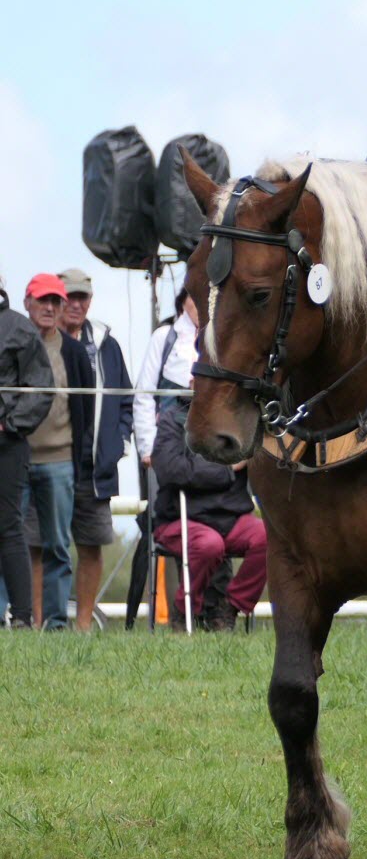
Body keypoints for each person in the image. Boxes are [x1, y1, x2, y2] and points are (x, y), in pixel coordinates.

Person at [14, 275, 94, 629]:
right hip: (13, 459)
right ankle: (10, 620)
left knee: (58, 547)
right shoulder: (11, 342)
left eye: (55, 302)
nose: (49, 308)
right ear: (27, 302)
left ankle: (57, 624)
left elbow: (86, 409)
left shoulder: (75, 352)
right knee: (9, 542)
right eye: (42, 301)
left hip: (60, 461)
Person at [151, 390, 267, 630]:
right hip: (180, 518)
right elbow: (169, 469)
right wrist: (225, 468)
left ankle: (230, 607)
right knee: (209, 544)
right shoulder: (173, 421)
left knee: (268, 537)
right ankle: (184, 614)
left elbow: (261, 462)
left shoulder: (241, 420)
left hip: (231, 518)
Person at [57, 268, 133, 631]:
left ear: (90, 300)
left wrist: (117, 444)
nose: (75, 304)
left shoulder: (107, 343)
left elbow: (127, 400)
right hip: (48, 460)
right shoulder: (37, 340)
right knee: (40, 545)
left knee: (91, 545)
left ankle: (83, 625)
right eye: (68, 296)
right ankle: (44, 622)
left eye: (81, 297)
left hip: (93, 467)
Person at [0, 277, 55, 628]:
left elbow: (40, 388)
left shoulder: (19, 328)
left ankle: (21, 617)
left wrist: (8, 424)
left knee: (7, 527)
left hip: (7, 444)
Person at [133, 288, 200, 469]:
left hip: (207, 443)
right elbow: (145, 394)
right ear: (183, 302)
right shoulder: (164, 337)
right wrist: (147, 447)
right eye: (195, 295)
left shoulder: (223, 340)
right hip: (167, 441)